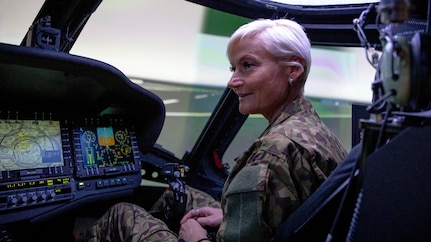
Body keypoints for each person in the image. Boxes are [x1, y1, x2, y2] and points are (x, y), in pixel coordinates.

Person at [80, 18, 347, 242]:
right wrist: (227, 218)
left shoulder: (276, 152)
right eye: (233, 68)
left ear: (293, 70)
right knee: (180, 195)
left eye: (248, 65)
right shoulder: (314, 130)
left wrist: (195, 238)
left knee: (123, 214)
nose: (232, 81)